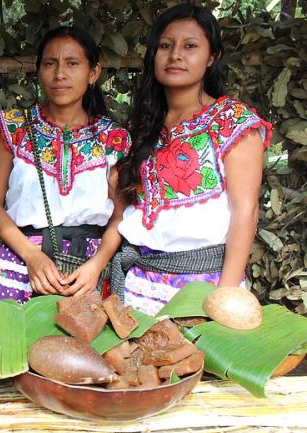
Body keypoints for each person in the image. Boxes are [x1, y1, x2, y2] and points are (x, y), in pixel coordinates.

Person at [113, 4, 271, 315]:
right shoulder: (142, 127)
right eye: (166, 45)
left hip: (204, 287)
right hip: (138, 285)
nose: (175, 56)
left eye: (190, 46)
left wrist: (223, 298)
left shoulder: (232, 122)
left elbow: (246, 211)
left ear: (212, 57)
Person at [0, 26, 131, 303]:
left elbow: (120, 216)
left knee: (87, 347)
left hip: (87, 273)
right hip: (22, 264)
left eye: (72, 63)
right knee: (13, 345)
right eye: (50, 63)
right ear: (39, 71)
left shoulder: (112, 138)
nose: (60, 73)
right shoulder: (15, 128)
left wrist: (97, 265)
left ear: (93, 73)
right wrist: (31, 256)